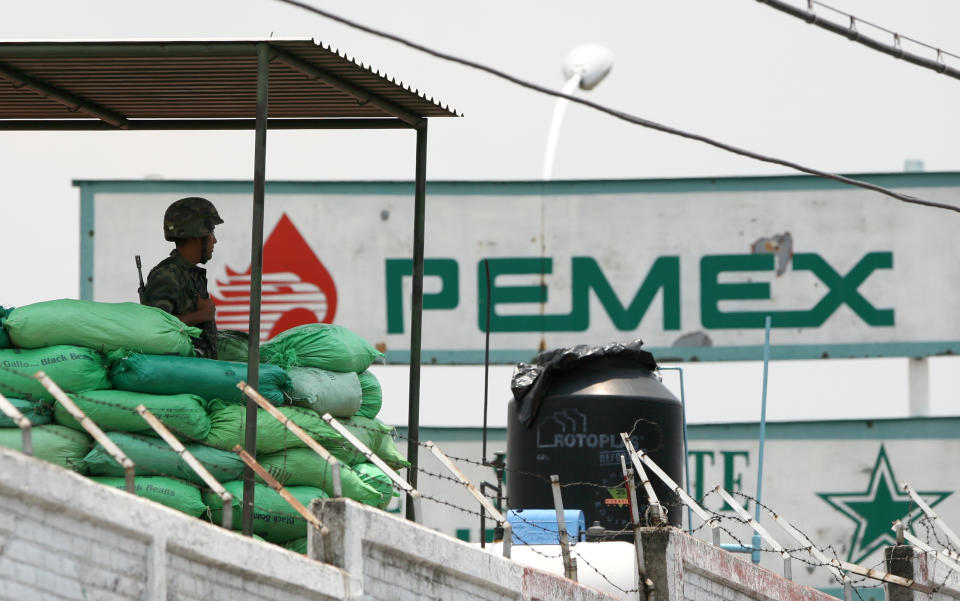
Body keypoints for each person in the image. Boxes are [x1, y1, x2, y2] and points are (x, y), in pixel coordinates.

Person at [141, 197, 223, 358]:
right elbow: (154, 329)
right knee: (244, 385)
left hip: (201, 374)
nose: (214, 240)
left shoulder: (189, 274)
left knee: (245, 385)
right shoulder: (167, 275)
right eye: (211, 231)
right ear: (196, 235)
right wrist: (202, 315)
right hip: (179, 378)